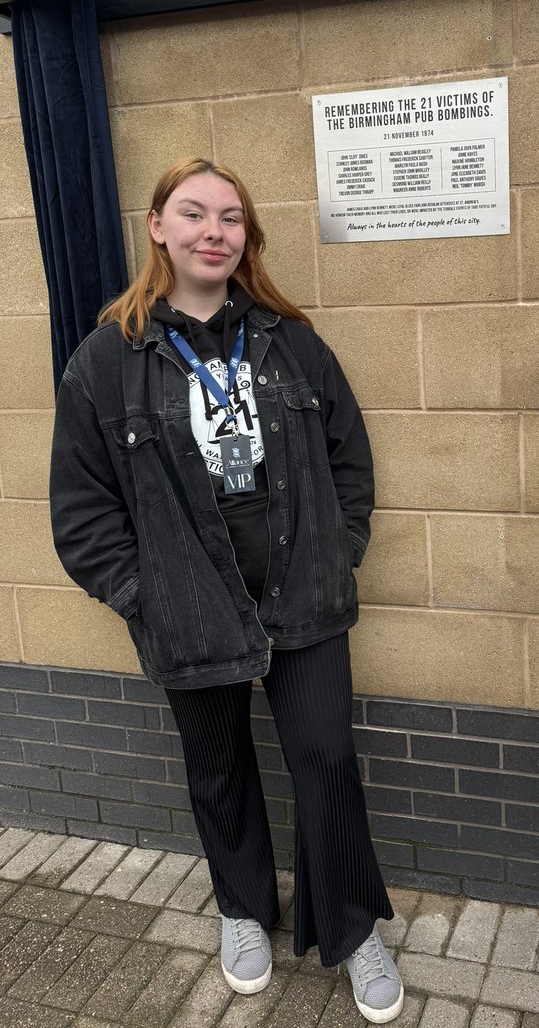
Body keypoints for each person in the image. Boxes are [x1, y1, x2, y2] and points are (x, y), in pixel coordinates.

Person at [49, 157, 404, 1023]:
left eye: (233, 217)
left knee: (326, 756)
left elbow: (349, 461)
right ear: (158, 229)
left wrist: (340, 547)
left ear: (247, 236)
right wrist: (144, 592)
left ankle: (354, 928)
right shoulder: (106, 361)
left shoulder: (291, 340)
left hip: (303, 596)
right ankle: (244, 908)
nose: (216, 230)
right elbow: (82, 508)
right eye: (196, 213)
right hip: (188, 607)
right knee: (218, 769)